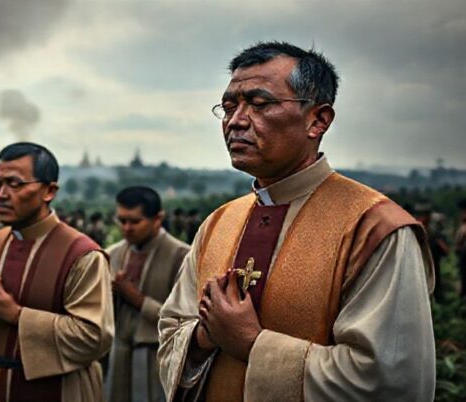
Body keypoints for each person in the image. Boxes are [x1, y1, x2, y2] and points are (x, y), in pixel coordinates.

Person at [157, 41, 435, 402]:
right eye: (229, 107)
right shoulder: (219, 223)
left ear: (317, 120)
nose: (236, 121)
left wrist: (252, 344)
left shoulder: (375, 228)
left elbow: (392, 379)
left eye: (259, 104)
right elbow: (170, 331)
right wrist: (206, 336)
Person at [0, 142, 113, 402]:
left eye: (14, 184)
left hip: (60, 390)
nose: (1, 194)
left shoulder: (82, 255)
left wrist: (17, 315)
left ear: (49, 191)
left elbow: (94, 337)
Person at [106, 186, 189, 402]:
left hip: (157, 357)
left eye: (134, 221)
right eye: (122, 221)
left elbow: (186, 319)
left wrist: (136, 298)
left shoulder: (181, 256)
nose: (127, 228)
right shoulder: (112, 255)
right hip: (118, 355)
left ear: (157, 218)